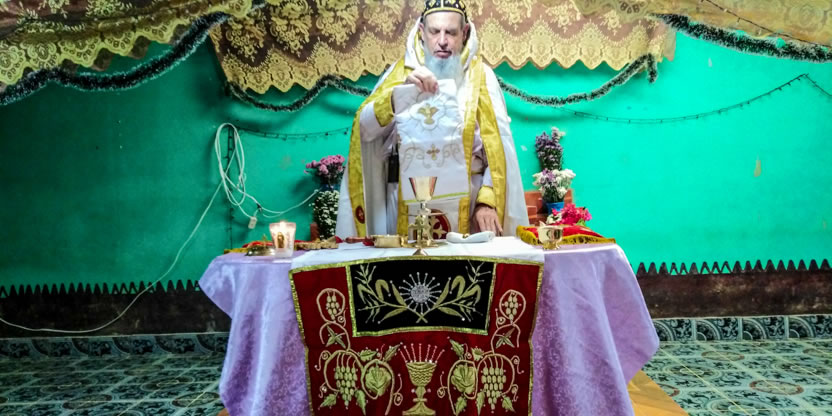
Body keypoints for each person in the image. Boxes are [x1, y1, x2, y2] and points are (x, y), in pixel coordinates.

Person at [335, 0, 527, 239]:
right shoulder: (400, 74)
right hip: (405, 203)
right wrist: (397, 97)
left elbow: (498, 153)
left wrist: (486, 202)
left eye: (451, 32)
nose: (442, 41)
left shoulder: (481, 78)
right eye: (435, 31)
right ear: (421, 32)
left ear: (465, 33)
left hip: (467, 205)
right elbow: (364, 130)